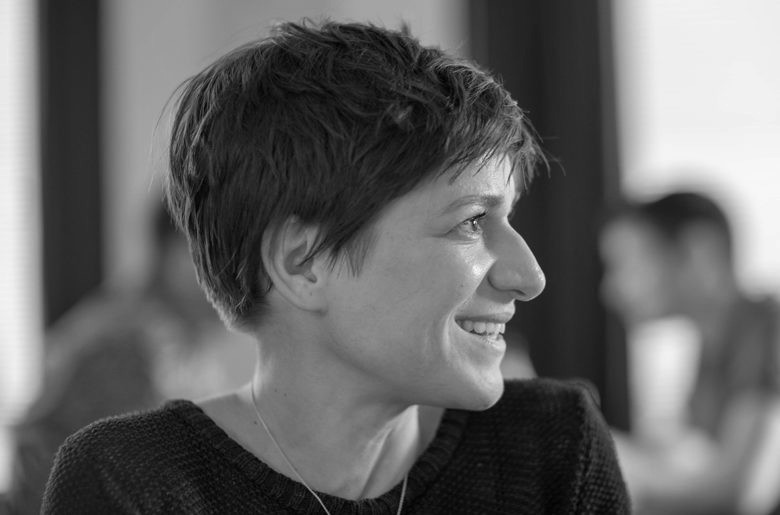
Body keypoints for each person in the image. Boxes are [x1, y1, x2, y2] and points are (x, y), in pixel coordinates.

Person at [42, 20, 630, 513]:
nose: (529, 276)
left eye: (510, 217)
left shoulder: (554, 447)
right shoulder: (132, 482)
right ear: (304, 263)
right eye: (472, 221)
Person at [1, 205, 253, 515]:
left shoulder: (184, 345)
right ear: (178, 253)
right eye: (229, 256)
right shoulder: (129, 345)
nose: (242, 277)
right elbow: (57, 470)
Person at [600, 191, 780, 514]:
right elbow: (700, 461)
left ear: (698, 250)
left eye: (626, 263)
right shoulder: (716, 344)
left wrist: (602, 455)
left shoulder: (767, 330)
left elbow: (741, 493)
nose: (610, 289)